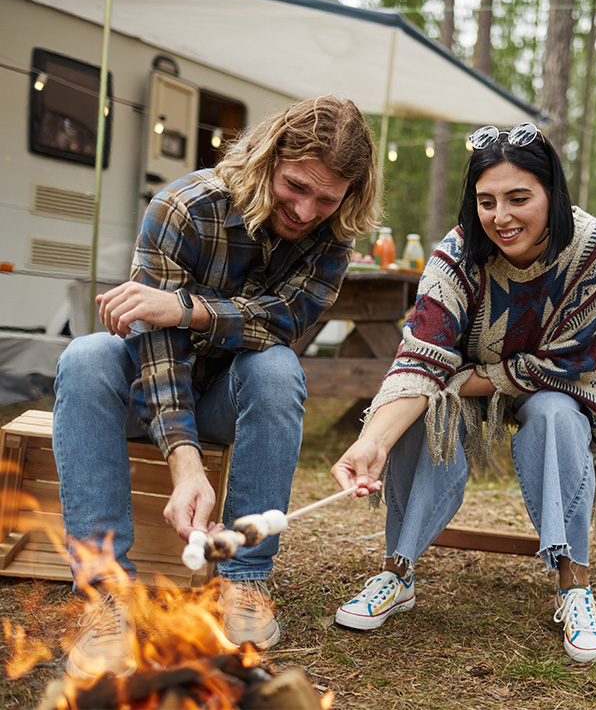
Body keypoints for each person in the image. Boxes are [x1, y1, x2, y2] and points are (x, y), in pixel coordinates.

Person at [53, 95, 381, 678]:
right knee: (87, 355)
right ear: (268, 157)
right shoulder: (184, 206)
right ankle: (106, 594)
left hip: (224, 400)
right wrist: (184, 464)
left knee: (276, 366)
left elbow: (284, 322)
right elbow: (155, 349)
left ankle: (245, 577)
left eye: (326, 199)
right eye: (295, 187)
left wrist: (187, 309)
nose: (306, 211)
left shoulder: (333, 238)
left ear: (349, 196)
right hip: (146, 392)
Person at [329, 122, 596, 664]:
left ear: (552, 192)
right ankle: (399, 570)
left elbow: (576, 357)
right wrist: (373, 441)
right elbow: (420, 357)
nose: (501, 217)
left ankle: (574, 583)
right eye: (486, 201)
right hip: (468, 380)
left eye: (518, 198)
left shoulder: (592, 245)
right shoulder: (457, 253)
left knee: (556, 414)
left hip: (558, 384)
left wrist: (471, 378)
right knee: (423, 409)